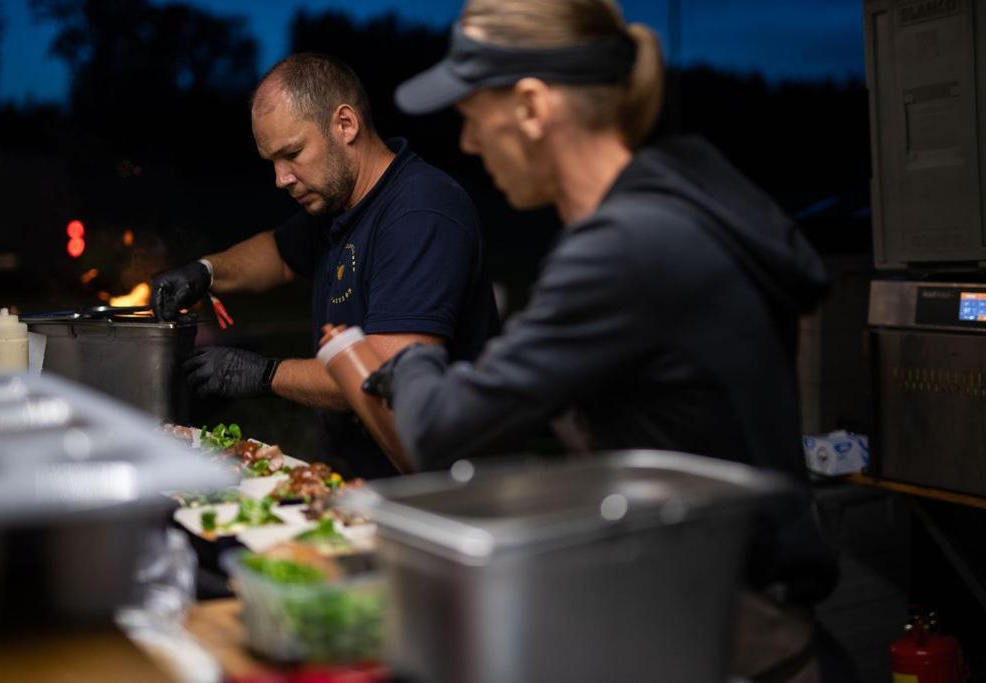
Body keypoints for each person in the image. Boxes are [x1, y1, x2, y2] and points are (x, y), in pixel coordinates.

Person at [364, 1, 851, 680]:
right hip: (704, 612)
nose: (469, 144)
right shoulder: (672, 205)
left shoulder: (628, 246)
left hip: (735, 643)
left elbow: (444, 429)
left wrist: (408, 358)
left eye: (473, 116)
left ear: (532, 107)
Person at [151, 53, 499, 479]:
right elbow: (277, 252)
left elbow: (385, 374)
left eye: (292, 153)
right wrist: (205, 271)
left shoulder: (420, 211)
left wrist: (263, 374)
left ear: (345, 124)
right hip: (356, 477)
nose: (281, 179)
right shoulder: (339, 203)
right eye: (272, 162)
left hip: (437, 490)